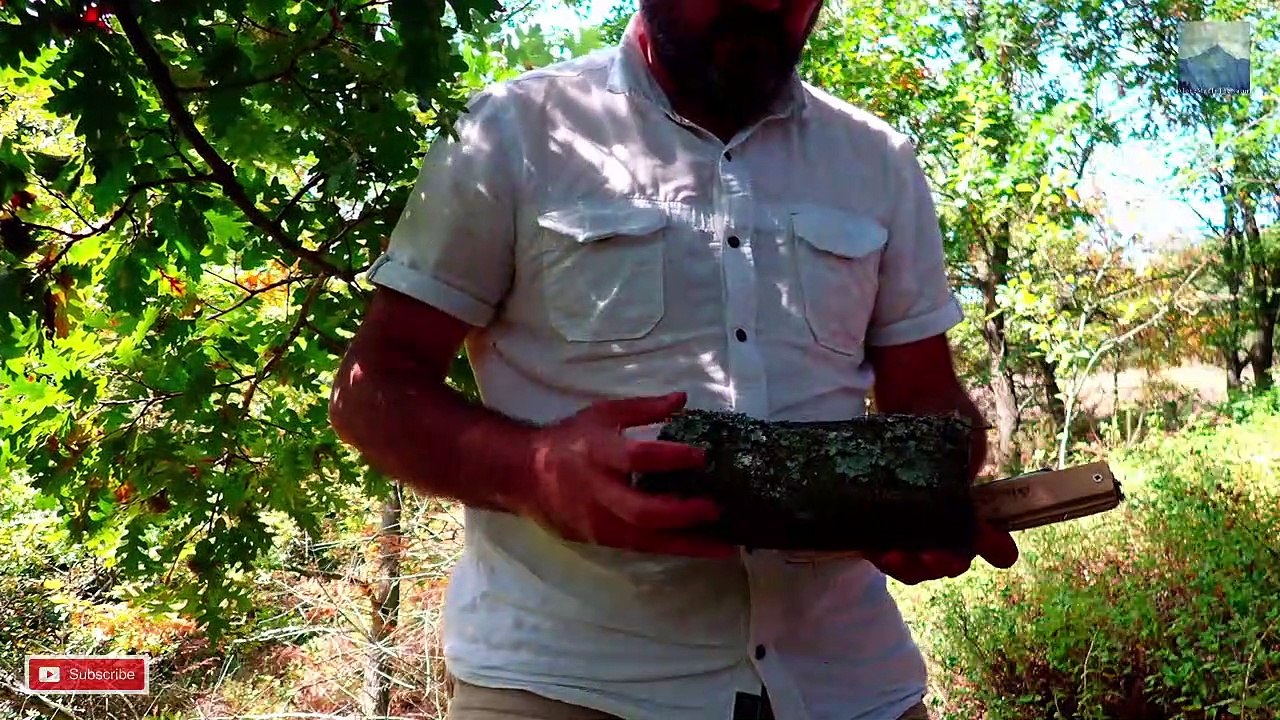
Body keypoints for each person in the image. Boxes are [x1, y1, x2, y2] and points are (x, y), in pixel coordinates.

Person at [328, 0, 1019, 718]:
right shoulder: (514, 130)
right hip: (572, 685)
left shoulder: (876, 159)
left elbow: (931, 399)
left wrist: (926, 497)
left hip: (849, 684)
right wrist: (530, 472)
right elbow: (372, 387)